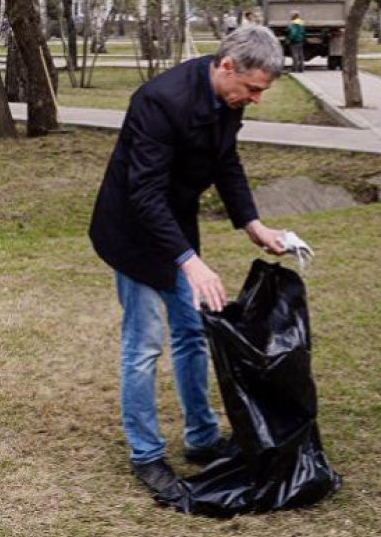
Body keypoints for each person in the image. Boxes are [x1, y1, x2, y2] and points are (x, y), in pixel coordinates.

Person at [89, 26, 311, 496]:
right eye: (252, 89)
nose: (255, 99)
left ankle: (202, 439)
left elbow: (226, 162)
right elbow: (144, 193)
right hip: (131, 230)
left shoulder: (226, 102)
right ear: (227, 66)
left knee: (192, 331)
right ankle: (146, 456)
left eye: (261, 92)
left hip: (174, 226)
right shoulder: (159, 101)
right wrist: (189, 261)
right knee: (144, 344)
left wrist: (253, 225)